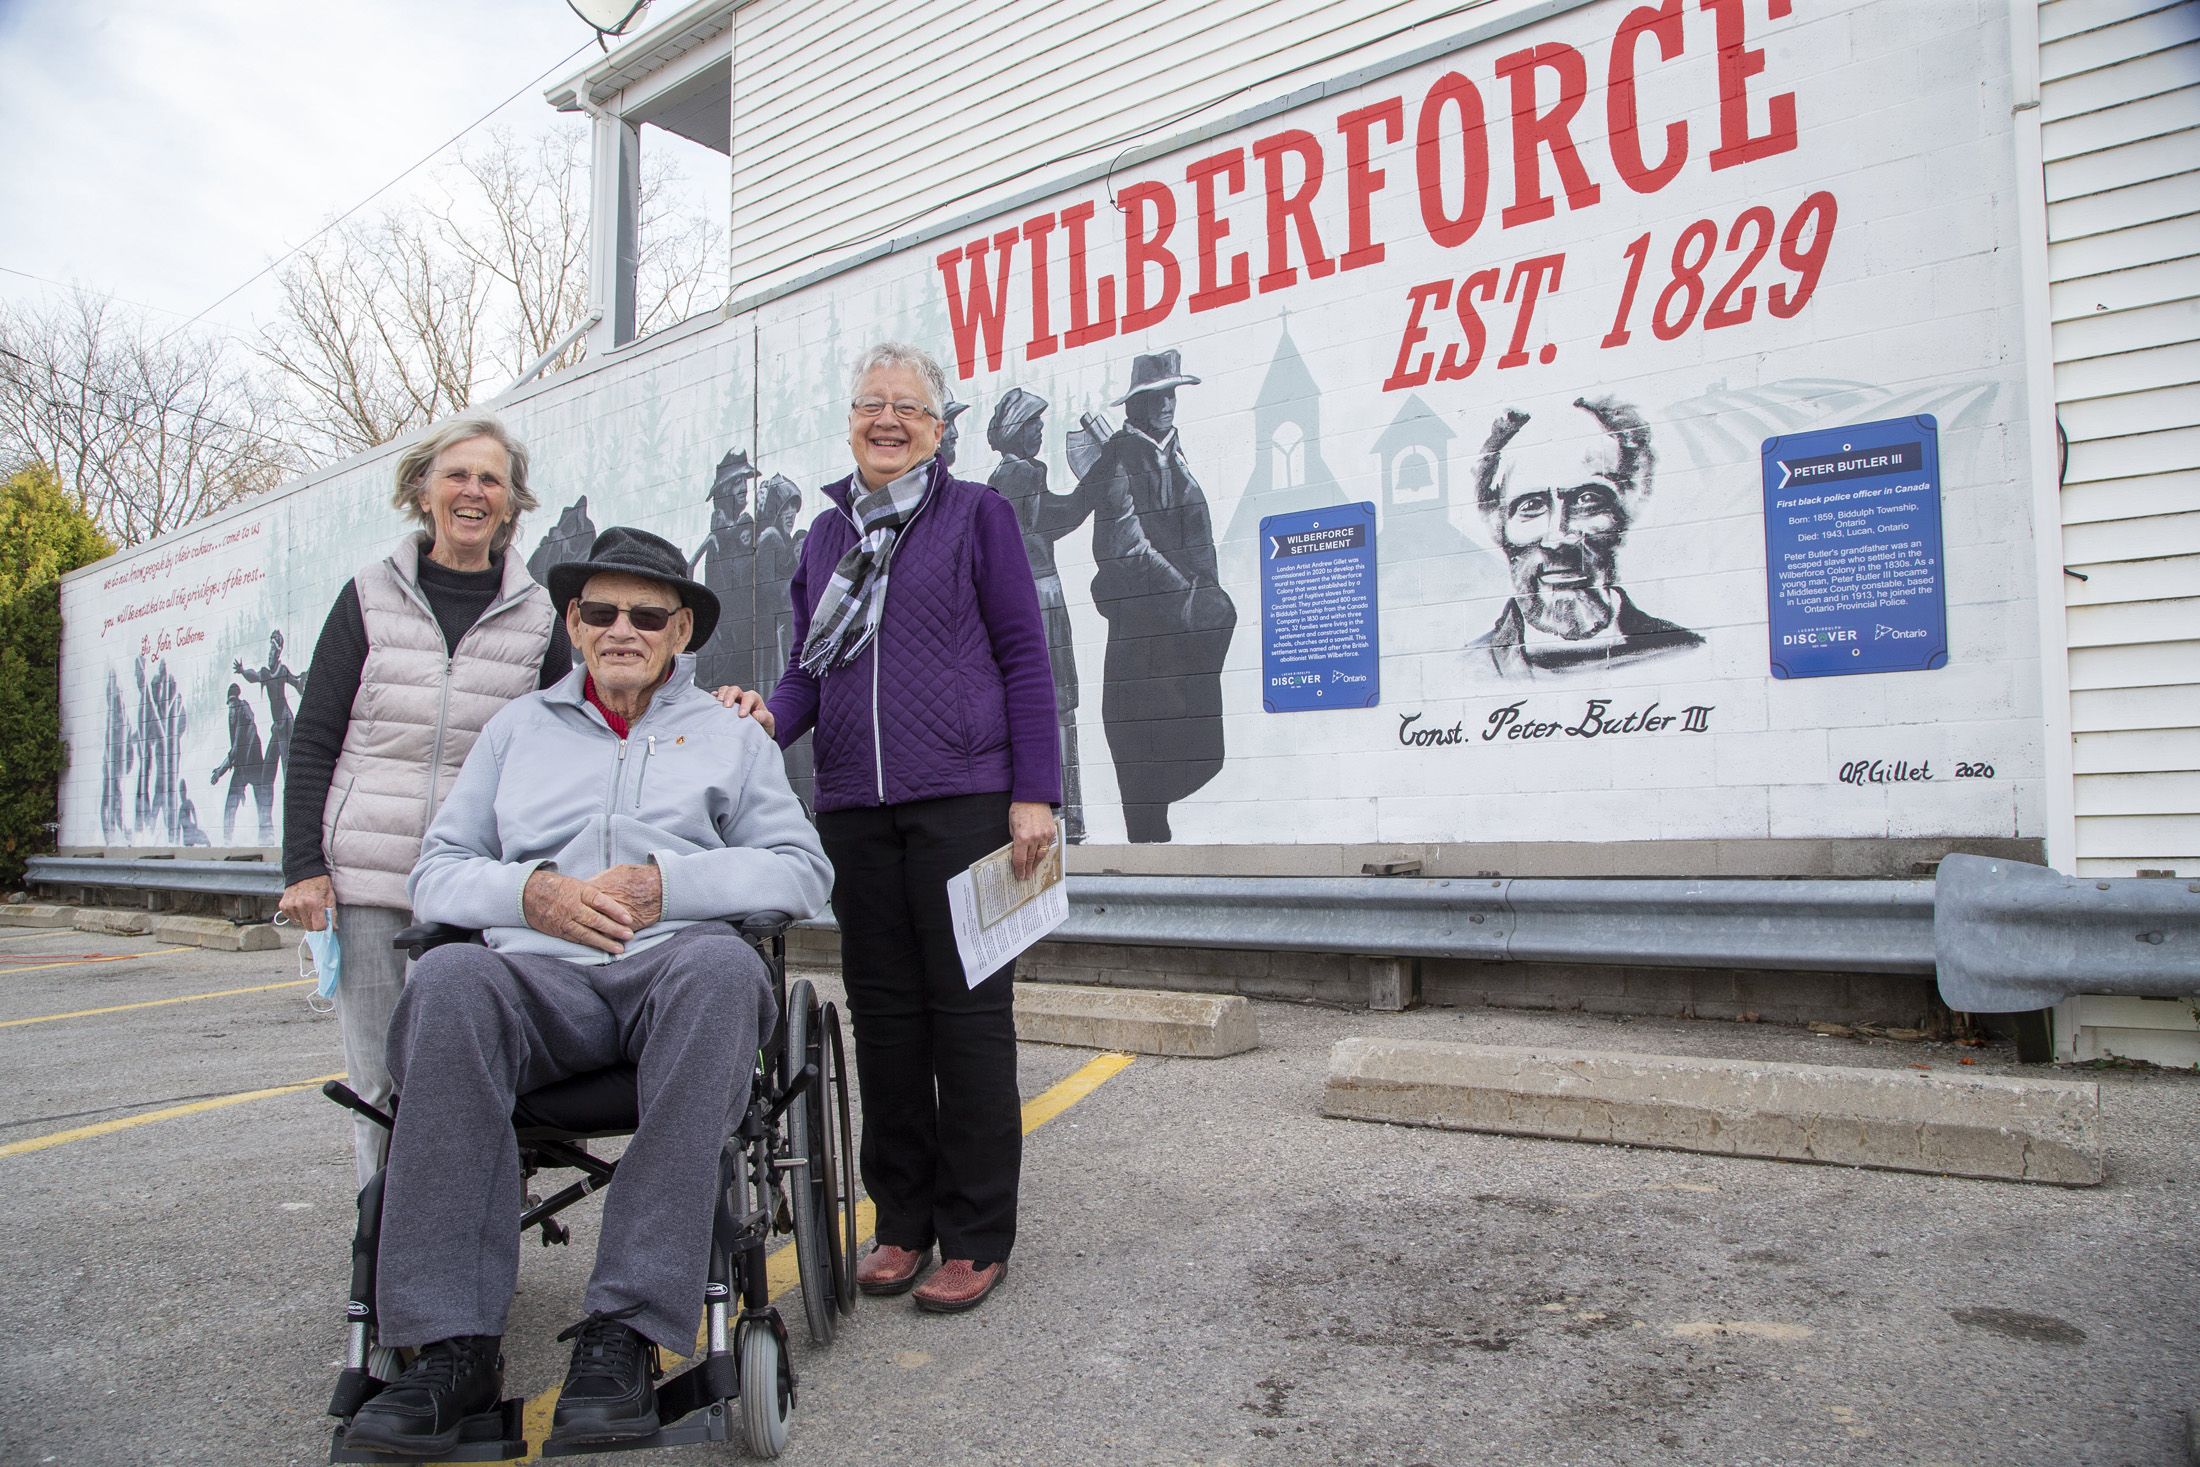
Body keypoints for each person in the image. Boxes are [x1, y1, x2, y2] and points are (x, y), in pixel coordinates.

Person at [341, 526, 831, 1457]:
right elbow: (437, 871)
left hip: (670, 975)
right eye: (600, 611)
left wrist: (667, 886)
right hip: (535, 981)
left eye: (647, 615)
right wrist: (530, 893)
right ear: (571, 621)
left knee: (726, 971)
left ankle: (626, 1335)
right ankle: (450, 1351)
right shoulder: (516, 730)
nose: (621, 630)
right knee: (447, 977)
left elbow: (802, 872)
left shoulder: (727, 735)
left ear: (681, 629)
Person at [734, 341, 1058, 1315]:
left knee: (966, 1027)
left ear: (937, 428)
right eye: (871, 404)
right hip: (853, 812)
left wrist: (1034, 790)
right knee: (883, 1024)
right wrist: (759, 725)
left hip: (964, 799)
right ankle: (901, 1223)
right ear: (850, 421)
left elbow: (1023, 656)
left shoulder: (977, 516)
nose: (887, 420)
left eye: (907, 408)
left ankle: (972, 1235)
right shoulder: (826, 538)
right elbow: (805, 674)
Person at [279, 411, 564, 1189]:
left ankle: (461, 1245)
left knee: (470, 1076)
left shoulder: (540, 617)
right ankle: (382, 1257)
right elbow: (313, 737)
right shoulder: (369, 596)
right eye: (458, 474)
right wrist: (303, 864)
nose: (473, 491)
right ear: (423, 490)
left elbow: (578, 736)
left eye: (491, 480)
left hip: (478, 885)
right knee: (377, 1084)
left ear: (512, 503)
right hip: (370, 874)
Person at [1080, 348, 1235, 843]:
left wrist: (1206, 597)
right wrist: (1189, 595)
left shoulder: (1170, 450)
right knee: (1146, 763)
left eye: (1171, 393)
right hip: (1144, 638)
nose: (1167, 403)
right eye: (1155, 395)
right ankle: (1149, 850)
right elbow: (1127, 547)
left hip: (1179, 635)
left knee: (1195, 748)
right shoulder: (1121, 458)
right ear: (1136, 404)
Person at [1466, 397, 1703, 679]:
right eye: (1531, 506)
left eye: (1587, 500)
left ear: (1627, 507)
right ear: (1498, 525)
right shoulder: (1471, 670)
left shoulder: (1683, 652)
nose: (1559, 536)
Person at [986, 387, 1092, 842]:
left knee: (1054, 707)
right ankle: (1066, 813)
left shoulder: (1009, 475)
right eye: (1034, 425)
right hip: (1038, 599)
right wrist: (1098, 476)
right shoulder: (1020, 474)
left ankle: (1066, 810)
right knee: (1055, 705)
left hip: (1035, 597)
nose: (1040, 432)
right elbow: (1058, 516)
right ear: (1016, 430)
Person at [235, 629, 304, 783]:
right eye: (269, 649)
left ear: (278, 653)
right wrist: (242, 671)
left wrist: (304, 682)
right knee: (268, 770)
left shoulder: (282, 670)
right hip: (277, 726)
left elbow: (296, 683)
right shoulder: (266, 673)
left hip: (285, 723)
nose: (269, 653)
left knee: (287, 763)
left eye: (272, 650)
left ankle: (291, 798)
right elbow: (254, 676)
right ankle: (266, 801)